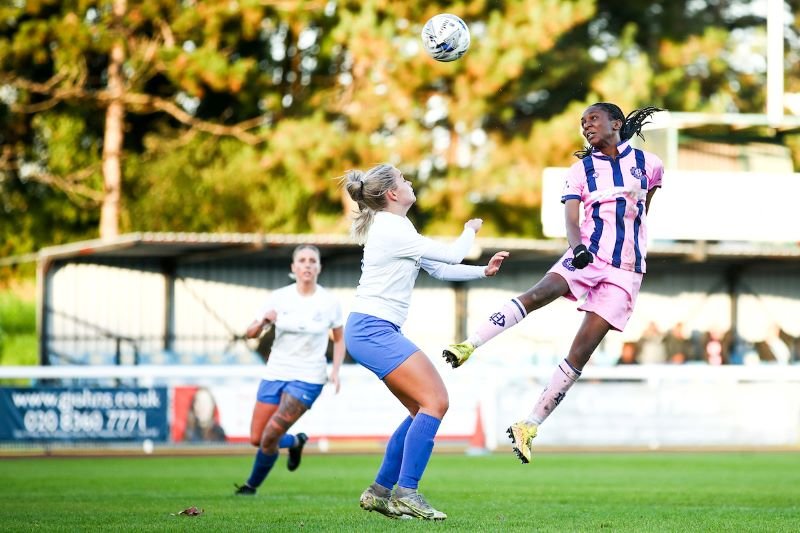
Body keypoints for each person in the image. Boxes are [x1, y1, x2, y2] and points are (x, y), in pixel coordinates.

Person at [443, 102, 665, 464]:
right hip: (588, 255)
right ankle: (469, 344)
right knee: (537, 294)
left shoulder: (650, 165)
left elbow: (643, 211)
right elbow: (571, 220)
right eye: (582, 122)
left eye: (593, 119)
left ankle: (529, 425)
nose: (586, 126)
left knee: (581, 352)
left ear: (616, 122)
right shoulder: (580, 171)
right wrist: (577, 248)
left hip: (626, 271)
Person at [341, 164, 508, 520]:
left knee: (421, 408)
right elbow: (452, 254)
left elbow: (440, 269)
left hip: (371, 329)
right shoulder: (390, 226)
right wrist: (469, 230)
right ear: (392, 194)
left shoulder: (397, 227)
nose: (410, 183)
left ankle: (379, 492)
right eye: (404, 180)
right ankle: (407, 493)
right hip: (373, 329)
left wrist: (483, 271)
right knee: (436, 401)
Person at [234, 244, 345, 495]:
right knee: (257, 438)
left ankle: (250, 487)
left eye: (312, 261)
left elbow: (339, 339)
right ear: (293, 268)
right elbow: (250, 333)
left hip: (308, 377)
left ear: (319, 267)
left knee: (271, 434)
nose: (307, 264)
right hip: (275, 373)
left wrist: (335, 371)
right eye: (302, 260)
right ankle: (296, 441)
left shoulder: (329, 302)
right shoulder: (278, 297)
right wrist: (264, 321)